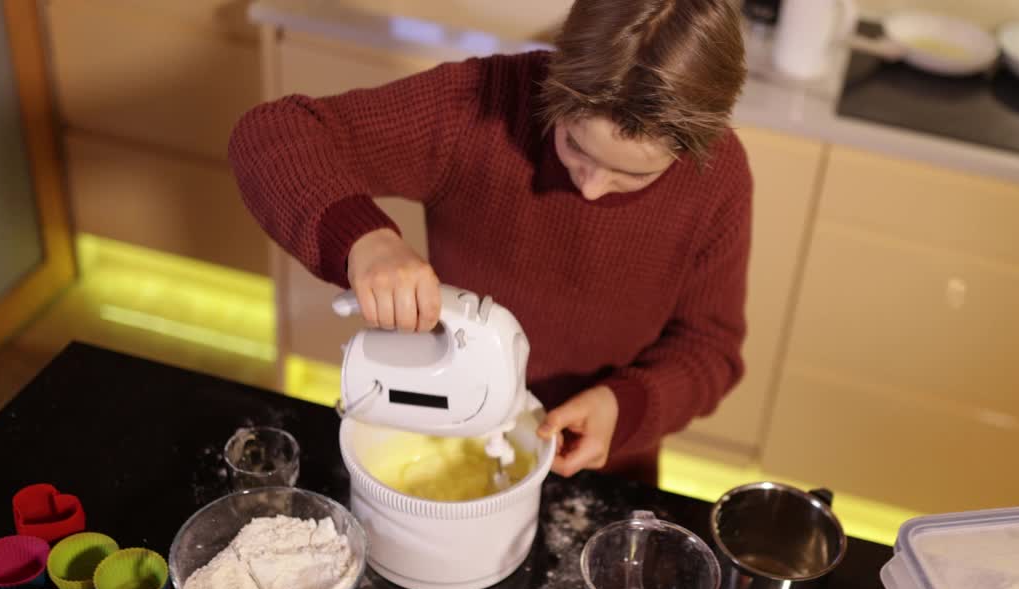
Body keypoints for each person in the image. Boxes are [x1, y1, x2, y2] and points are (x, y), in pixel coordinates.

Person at [228, 0, 752, 485]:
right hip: (439, 423)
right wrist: (364, 239)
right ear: (556, 79)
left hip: (602, 467)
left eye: (630, 176)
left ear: (689, 150)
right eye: (574, 145)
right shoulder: (480, 106)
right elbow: (273, 133)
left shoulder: (718, 181)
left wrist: (628, 407)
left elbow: (710, 349)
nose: (590, 188)